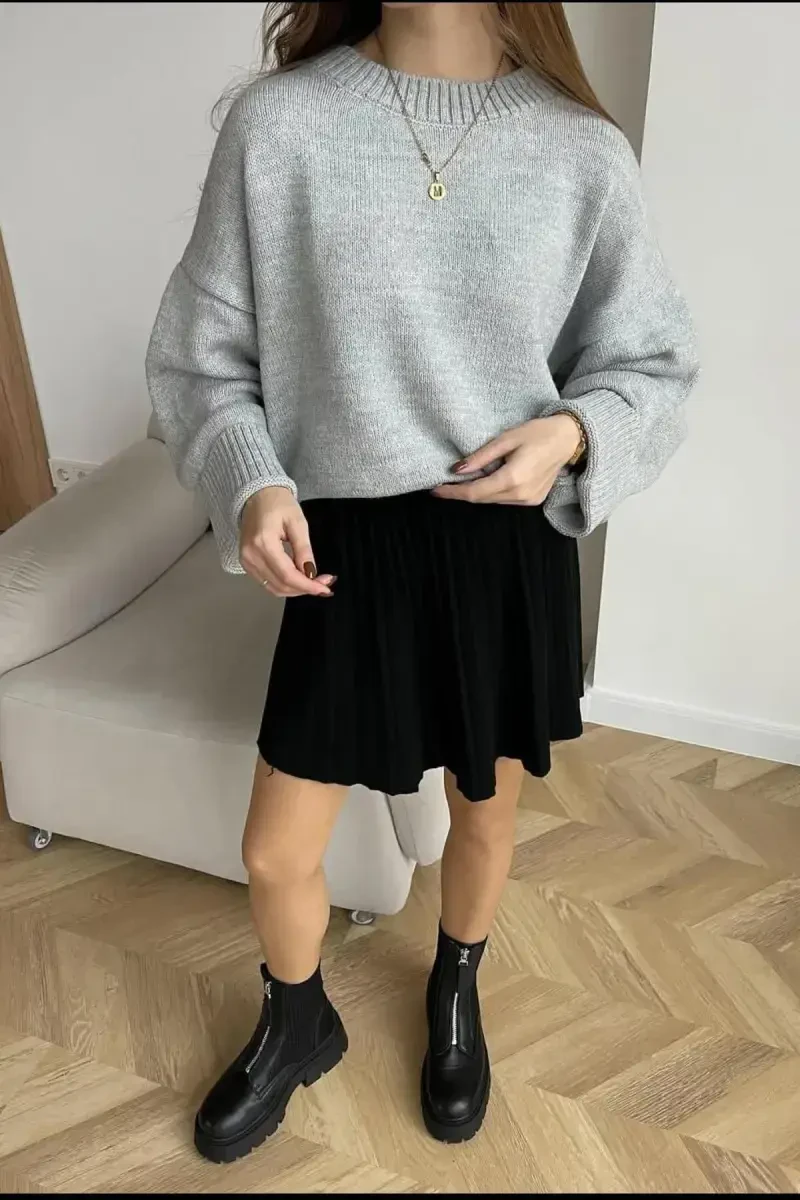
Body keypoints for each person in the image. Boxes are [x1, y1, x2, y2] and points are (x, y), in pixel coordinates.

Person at [146, 0, 697, 1162]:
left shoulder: (578, 148)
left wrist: (573, 436)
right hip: (344, 547)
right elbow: (200, 360)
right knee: (274, 849)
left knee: (481, 815)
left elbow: (651, 364)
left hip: (502, 546)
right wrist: (252, 482)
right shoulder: (278, 127)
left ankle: (454, 988)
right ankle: (296, 1020)